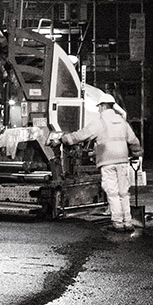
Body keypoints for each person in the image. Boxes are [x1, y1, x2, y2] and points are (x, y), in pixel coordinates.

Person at [57, 90, 143, 232]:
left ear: (103, 106)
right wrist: (136, 153)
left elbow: (81, 135)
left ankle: (117, 223)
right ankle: (128, 222)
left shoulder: (100, 122)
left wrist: (64, 139)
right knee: (124, 192)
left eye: (99, 107)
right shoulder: (122, 122)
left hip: (108, 163)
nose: (98, 109)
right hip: (122, 161)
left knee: (113, 193)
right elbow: (134, 141)